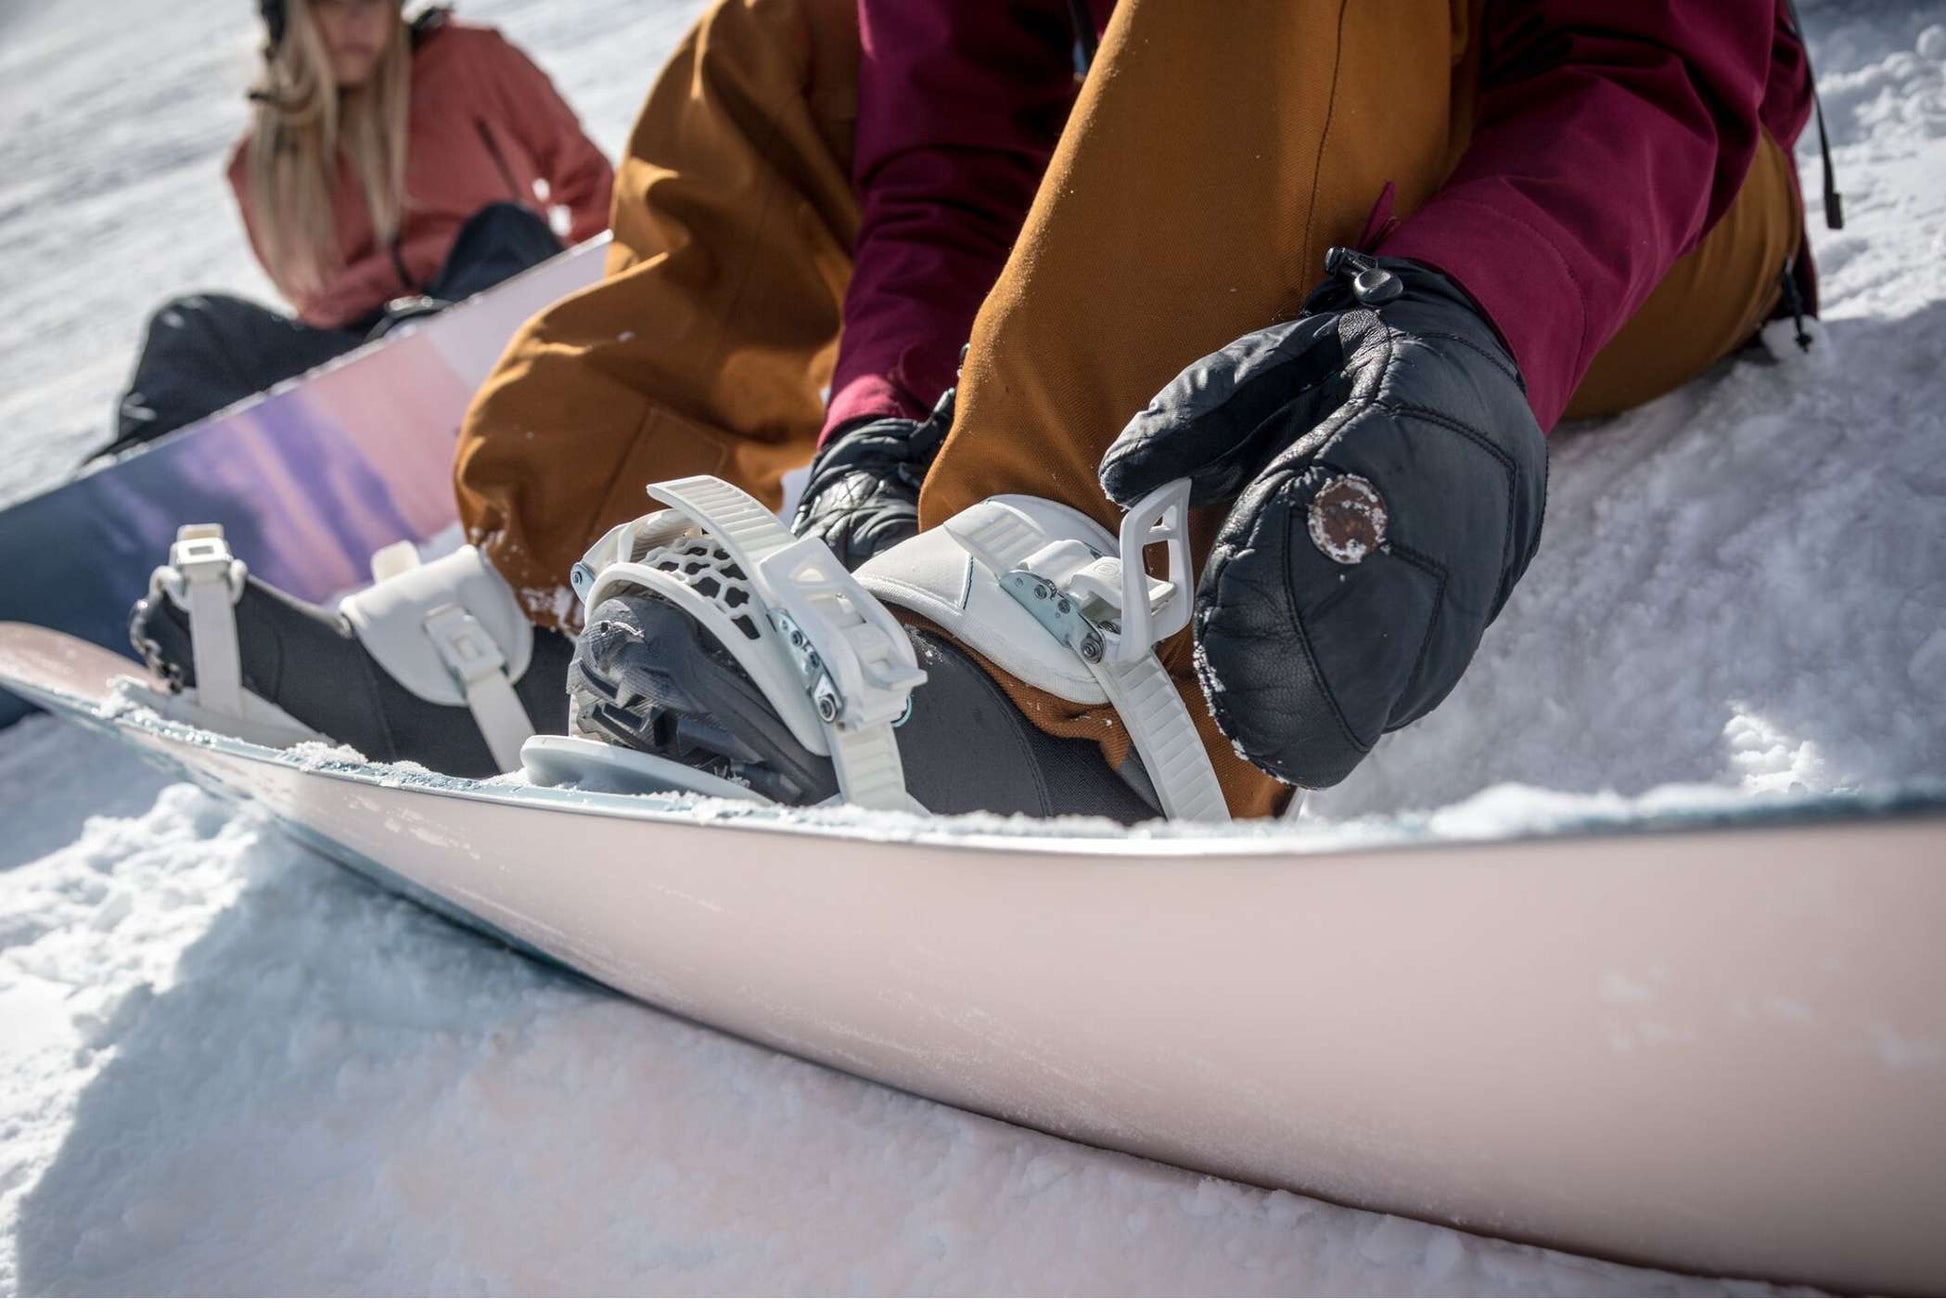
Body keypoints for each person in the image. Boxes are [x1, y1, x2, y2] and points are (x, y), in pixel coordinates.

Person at [132, 0, 1825, 820]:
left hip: (1629, 196)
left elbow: (1654, 57)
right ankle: (557, 578)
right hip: (1287, 150)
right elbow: (944, 160)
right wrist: (879, 429)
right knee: (796, 26)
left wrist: (1473, 311)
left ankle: (1072, 671)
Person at [101, 0, 612, 458]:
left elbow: (593, 188)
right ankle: (128, 487)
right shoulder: (259, 164)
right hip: (367, 364)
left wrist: (608, 299)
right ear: (291, 18)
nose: (360, 18)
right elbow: (308, 299)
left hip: (492, 323)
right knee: (191, 326)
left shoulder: (467, 60)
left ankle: (436, 355)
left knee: (505, 229)